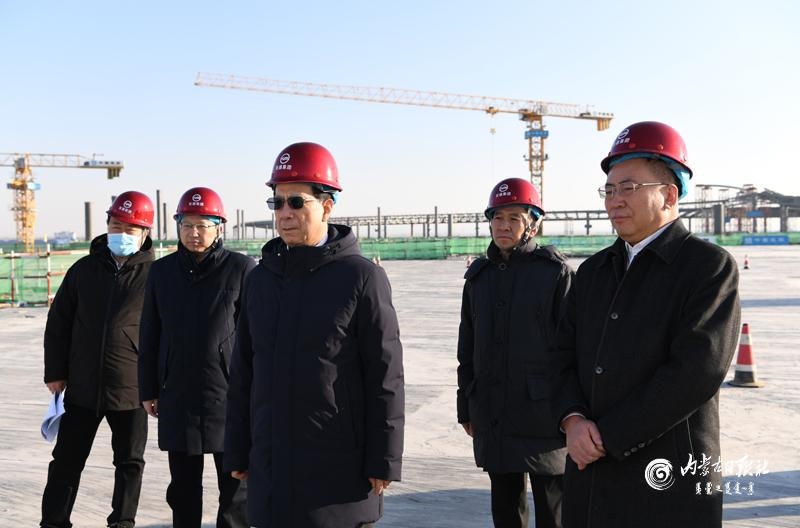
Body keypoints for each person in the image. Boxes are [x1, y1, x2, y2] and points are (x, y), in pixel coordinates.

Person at [551, 121, 741, 527]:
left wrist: (607, 436)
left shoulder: (707, 268)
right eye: (609, 190)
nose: (614, 201)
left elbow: (697, 371)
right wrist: (572, 419)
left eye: (629, 187)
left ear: (669, 195)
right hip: (589, 474)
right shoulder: (593, 272)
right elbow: (561, 355)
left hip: (667, 481)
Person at [224, 142, 404, 527]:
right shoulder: (260, 280)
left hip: (338, 468)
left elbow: (385, 375)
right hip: (271, 465)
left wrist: (384, 458)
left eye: (296, 202)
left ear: (327, 205)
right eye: (277, 203)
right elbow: (243, 373)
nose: (285, 213)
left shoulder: (361, 278)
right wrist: (237, 449)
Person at [457, 178, 573, 528]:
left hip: (544, 416)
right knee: (506, 509)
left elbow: (573, 349)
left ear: (532, 225)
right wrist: (466, 405)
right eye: (497, 217)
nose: (503, 226)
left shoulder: (554, 274)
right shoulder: (479, 278)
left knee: (553, 511)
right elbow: (467, 348)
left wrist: (573, 411)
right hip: (493, 412)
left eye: (514, 218)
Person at [138, 186, 255, 528]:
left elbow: (255, 337)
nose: (194, 232)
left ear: (219, 227)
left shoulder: (241, 269)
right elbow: (150, 333)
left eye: (202, 225)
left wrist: (256, 390)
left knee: (235, 487)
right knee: (183, 488)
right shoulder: (162, 272)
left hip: (228, 394)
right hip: (177, 391)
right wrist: (148, 388)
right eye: (187, 225)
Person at [41, 191, 155, 528]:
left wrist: (157, 384)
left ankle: (122, 522)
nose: (121, 233)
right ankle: (53, 522)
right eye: (116, 225)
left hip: (131, 388)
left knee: (129, 463)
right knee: (66, 461)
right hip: (82, 386)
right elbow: (59, 323)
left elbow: (165, 333)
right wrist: (55, 372)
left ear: (145, 232)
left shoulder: (157, 275)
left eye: (130, 228)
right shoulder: (83, 270)